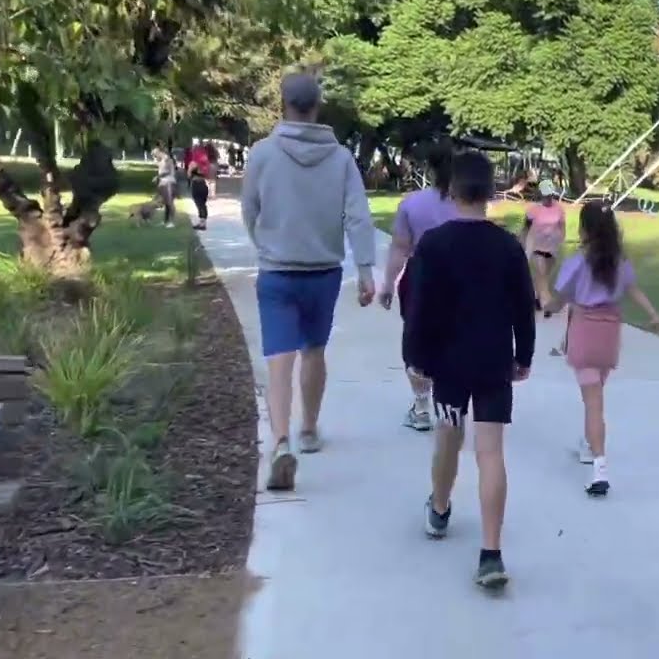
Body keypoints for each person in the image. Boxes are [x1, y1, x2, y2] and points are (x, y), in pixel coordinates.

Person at [402, 150, 536, 590]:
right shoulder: (507, 246)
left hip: (449, 365)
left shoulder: (434, 245)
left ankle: (439, 508)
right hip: (493, 360)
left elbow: (418, 307)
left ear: (453, 190)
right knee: (491, 451)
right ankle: (491, 553)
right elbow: (524, 308)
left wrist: (415, 356)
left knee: (447, 435)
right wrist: (525, 355)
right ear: (491, 192)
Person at [242, 72, 378, 492]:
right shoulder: (340, 158)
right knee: (315, 350)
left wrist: (264, 242)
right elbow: (358, 214)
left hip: (278, 269)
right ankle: (309, 429)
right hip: (323, 271)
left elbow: (250, 208)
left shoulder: (262, 153)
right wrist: (367, 269)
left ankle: (280, 440)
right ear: (318, 106)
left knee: (279, 359)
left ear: (282, 104)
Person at [543, 201, 659, 496]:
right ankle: (588, 442)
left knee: (593, 402)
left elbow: (557, 300)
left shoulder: (578, 261)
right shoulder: (618, 261)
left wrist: (544, 290)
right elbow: (633, 289)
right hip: (609, 333)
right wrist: (653, 314)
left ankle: (599, 468)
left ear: (584, 229)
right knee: (596, 395)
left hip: (584, 330)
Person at [379, 144, 460, 431]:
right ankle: (450, 402)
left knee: (415, 340)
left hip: (420, 277)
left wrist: (388, 284)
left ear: (429, 169)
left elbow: (400, 248)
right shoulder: (465, 205)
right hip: (457, 277)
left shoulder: (412, 204)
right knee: (453, 338)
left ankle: (422, 405)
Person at [520, 177, 566, 314]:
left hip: (552, 248)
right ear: (540, 194)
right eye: (546, 195)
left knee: (544, 276)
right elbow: (525, 229)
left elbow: (562, 227)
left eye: (550, 195)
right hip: (536, 247)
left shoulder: (559, 209)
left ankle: (535, 298)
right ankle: (547, 303)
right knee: (541, 275)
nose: (548, 198)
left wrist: (561, 239)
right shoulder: (533, 210)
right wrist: (523, 245)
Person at [187, 140, 214, 230]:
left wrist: (190, 171)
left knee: (198, 204)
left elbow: (189, 175)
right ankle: (203, 223)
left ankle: (201, 223)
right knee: (203, 204)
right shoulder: (206, 162)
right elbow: (209, 174)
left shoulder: (193, 163)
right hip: (204, 184)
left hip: (196, 184)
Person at [152, 147, 177, 228]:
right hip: (163, 182)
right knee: (166, 203)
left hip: (169, 182)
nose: (155, 157)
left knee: (170, 202)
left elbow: (168, 171)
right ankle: (165, 221)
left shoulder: (167, 159)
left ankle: (172, 222)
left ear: (160, 152)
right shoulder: (162, 160)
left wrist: (158, 177)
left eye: (155, 155)